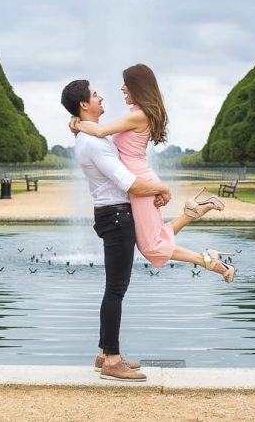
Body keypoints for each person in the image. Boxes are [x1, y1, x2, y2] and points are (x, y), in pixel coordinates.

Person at [70, 64, 235, 282]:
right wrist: (79, 128)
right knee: (155, 239)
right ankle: (196, 212)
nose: (121, 89)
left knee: (150, 247)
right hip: (139, 179)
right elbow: (104, 140)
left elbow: (100, 131)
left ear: (137, 87)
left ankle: (210, 262)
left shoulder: (139, 116)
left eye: (126, 85)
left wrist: (78, 124)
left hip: (139, 183)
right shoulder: (136, 115)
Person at [62, 78, 172, 383]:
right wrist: (163, 187)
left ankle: (103, 353)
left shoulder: (91, 137)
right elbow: (130, 183)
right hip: (117, 217)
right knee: (115, 290)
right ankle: (112, 359)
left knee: (114, 289)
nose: (101, 97)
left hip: (111, 215)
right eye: (95, 95)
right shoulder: (95, 144)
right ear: (84, 105)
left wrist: (76, 123)